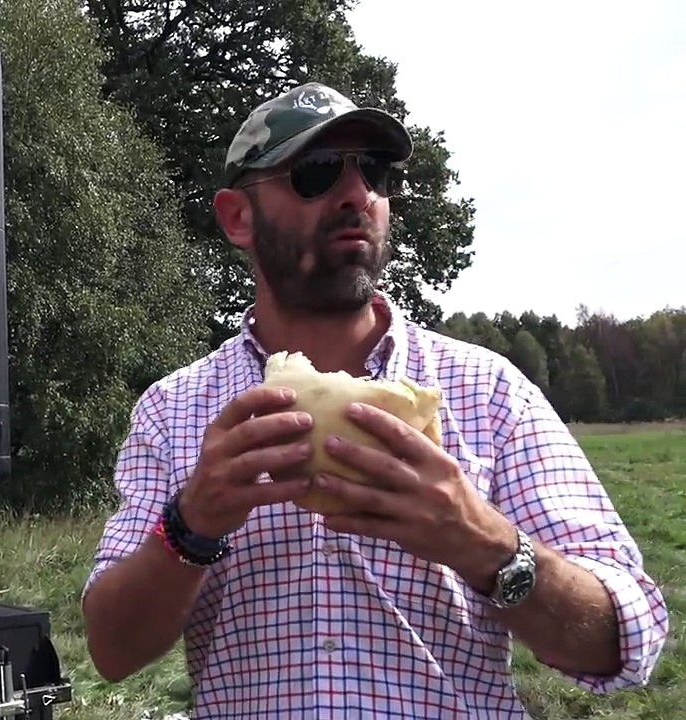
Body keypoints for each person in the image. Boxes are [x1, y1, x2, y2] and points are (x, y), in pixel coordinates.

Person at [80, 82, 668, 718]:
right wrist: (192, 524)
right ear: (237, 217)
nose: (357, 194)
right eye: (316, 172)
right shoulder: (175, 409)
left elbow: (628, 642)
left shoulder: (489, 391)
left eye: (376, 172)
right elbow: (112, 651)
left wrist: (485, 545)